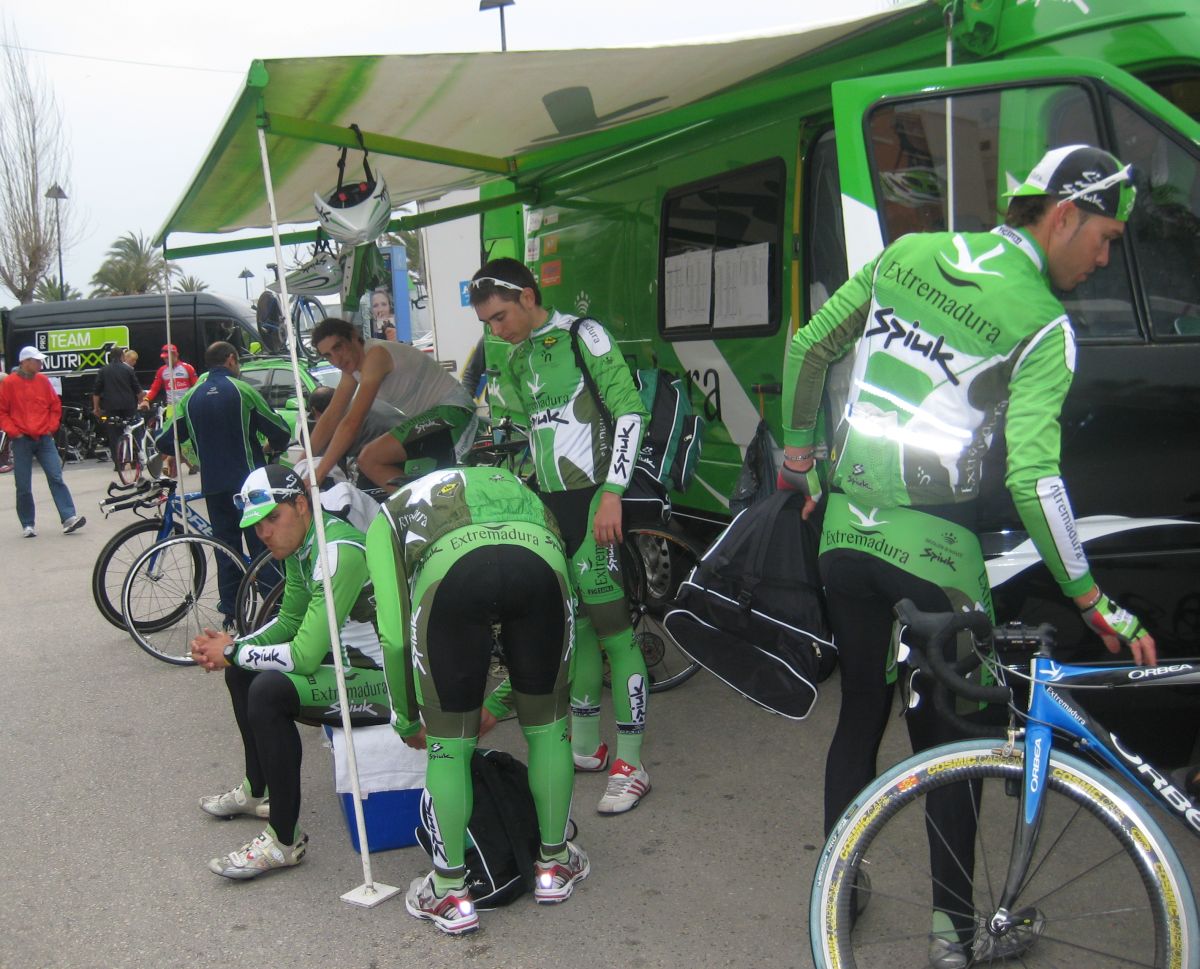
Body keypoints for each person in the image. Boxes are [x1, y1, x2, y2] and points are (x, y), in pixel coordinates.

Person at [780, 144, 1157, 968]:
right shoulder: (1045, 325)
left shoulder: (910, 252)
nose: (1103, 259)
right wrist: (1093, 598)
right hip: (936, 551)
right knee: (950, 743)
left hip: (845, 532)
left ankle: (838, 890)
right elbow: (1033, 479)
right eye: (1105, 239)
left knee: (859, 714)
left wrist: (799, 454)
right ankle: (952, 935)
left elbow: (810, 347)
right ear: (1065, 215)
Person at [365, 465, 588, 934]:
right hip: (539, 560)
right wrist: (504, 701)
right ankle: (554, 865)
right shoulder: (512, 483)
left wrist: (406, 719)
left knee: (450, 745)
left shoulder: (388, 515)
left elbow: (394, 637)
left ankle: (450, 891)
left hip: (451, 575)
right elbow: (572, 614)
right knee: (549, 727)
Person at [468, 257, 652, 814]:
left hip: (594, 502)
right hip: (551, 509)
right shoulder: (516, 357)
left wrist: (613, 491)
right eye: (487, 323)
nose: (495, 329)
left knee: (615, 634)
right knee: (580, 629)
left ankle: (632, 764)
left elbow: (629, 412)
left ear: (527, 296)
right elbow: (525, 432)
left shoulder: (583, 334)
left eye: (500, 317)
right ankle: (589, 747)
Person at [189, 464, 391, 880]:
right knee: (241, 674)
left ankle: (283, 840)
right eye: (256, 525)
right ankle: (256, 789)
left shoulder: (336, 551)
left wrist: (233, 651)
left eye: (272, 518)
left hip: (385, 684)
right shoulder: (303, 545)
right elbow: (288, 621)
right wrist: (233, 649)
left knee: (268, 691)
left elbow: (303, 655)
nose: (263, 533)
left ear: (300, 505)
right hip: (347, 667)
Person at [156, 341, 291, 625]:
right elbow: (279, 430)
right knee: (263, 544)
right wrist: (272, 447)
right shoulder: (243, 391)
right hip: (250, 484)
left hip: (214, 485)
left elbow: (164, 440)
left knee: (225, 548)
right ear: (231, 359)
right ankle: (274, 609)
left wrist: (197, 445)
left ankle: (232, 611)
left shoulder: (190, 397)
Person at [308, 318, 476, 489]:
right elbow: (332, 415)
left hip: (455, 410)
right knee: (373, 458)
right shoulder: (352, 366)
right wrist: (301, 463)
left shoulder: (375, 355)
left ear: (353, 336)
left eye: (338, 347)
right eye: (328, 355)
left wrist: (317, 476)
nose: (336, 360)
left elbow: (351, 423)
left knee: (370, 458)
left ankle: (421, 505)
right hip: (441, 416)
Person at [0, 347, 86, 537]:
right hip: (22, 439)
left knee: (56, 476)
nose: (41, 364)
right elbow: (2, 411)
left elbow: (54, 405)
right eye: (37, 361)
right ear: (25, 362)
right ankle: (27, 524)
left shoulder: (43, 381)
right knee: (23, 484)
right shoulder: (10, 383)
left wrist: (51, 427)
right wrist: (14, 432)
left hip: (44, 438)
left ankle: (69, 517)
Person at [92, 347, 145, 472]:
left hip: (111, 407)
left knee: (114, 434)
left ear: (110, 357)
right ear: (122, 356)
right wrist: (141, 401)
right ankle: (136, 460)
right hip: (129, 406)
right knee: (133, 431)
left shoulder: (103, 371)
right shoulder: (128, 370)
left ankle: (118, 463)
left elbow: (96, 392)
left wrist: (96, 408)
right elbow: (137, 389)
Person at [141, 343, 197, 416]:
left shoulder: (188, 368)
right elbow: (154, 389)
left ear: (175, 355)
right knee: (169, 423)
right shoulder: (161, 370)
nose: (166, 360)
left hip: (186, 405)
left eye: (168, 357)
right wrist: (146, 400)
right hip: (171, 406)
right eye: (164, 358)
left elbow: (196, 387)